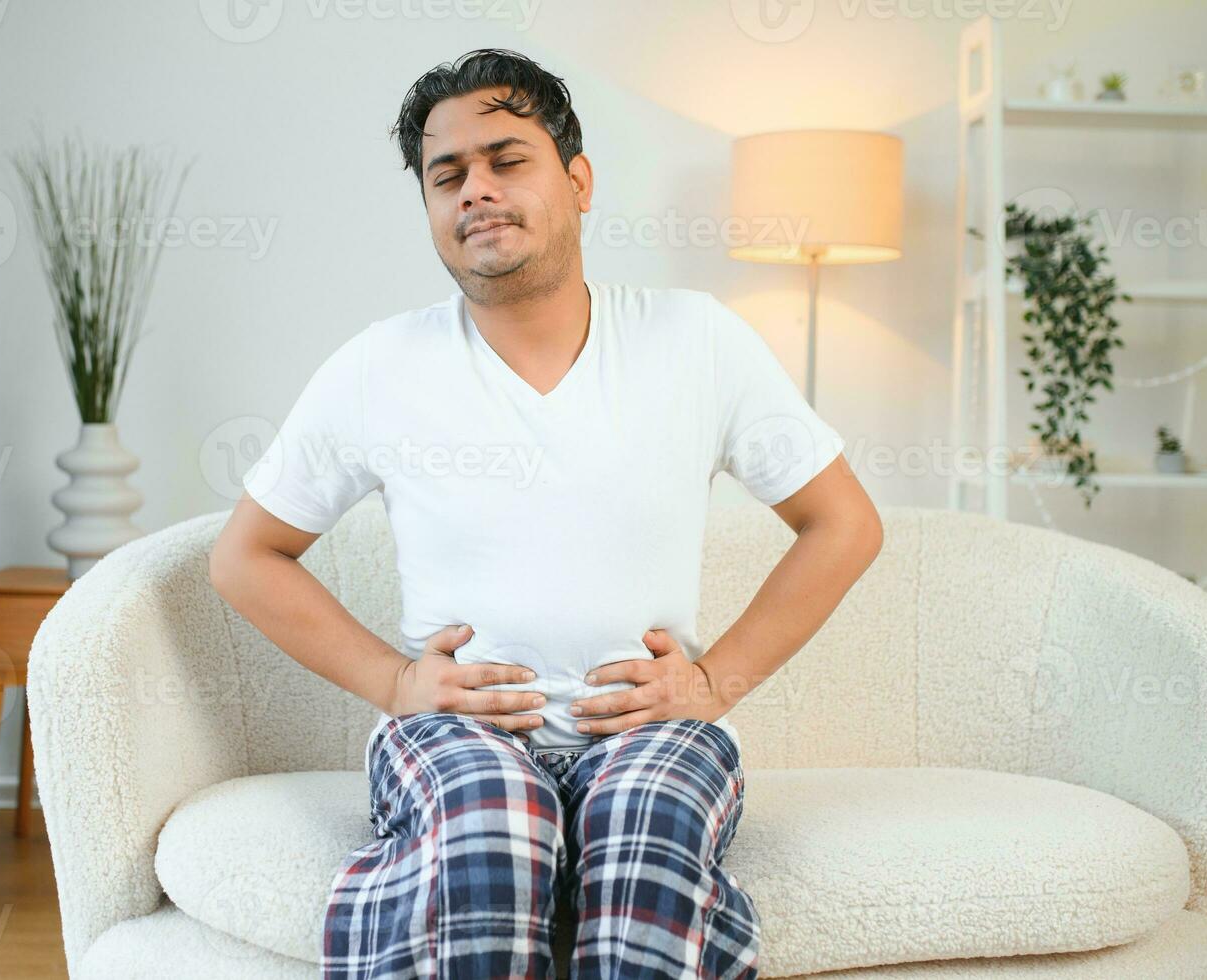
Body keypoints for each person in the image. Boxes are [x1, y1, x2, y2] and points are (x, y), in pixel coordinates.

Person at [209, 47, 883, 980]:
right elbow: (245, 557)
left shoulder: (698, 340)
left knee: (650, 823)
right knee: (491, 818)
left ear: (577, 181)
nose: (474, 189)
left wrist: (716, 682)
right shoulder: (379, 366)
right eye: (447, 176)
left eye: (505, 160)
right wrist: (396, 684)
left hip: (646, 734)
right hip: (460, 738)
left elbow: (844, 523)